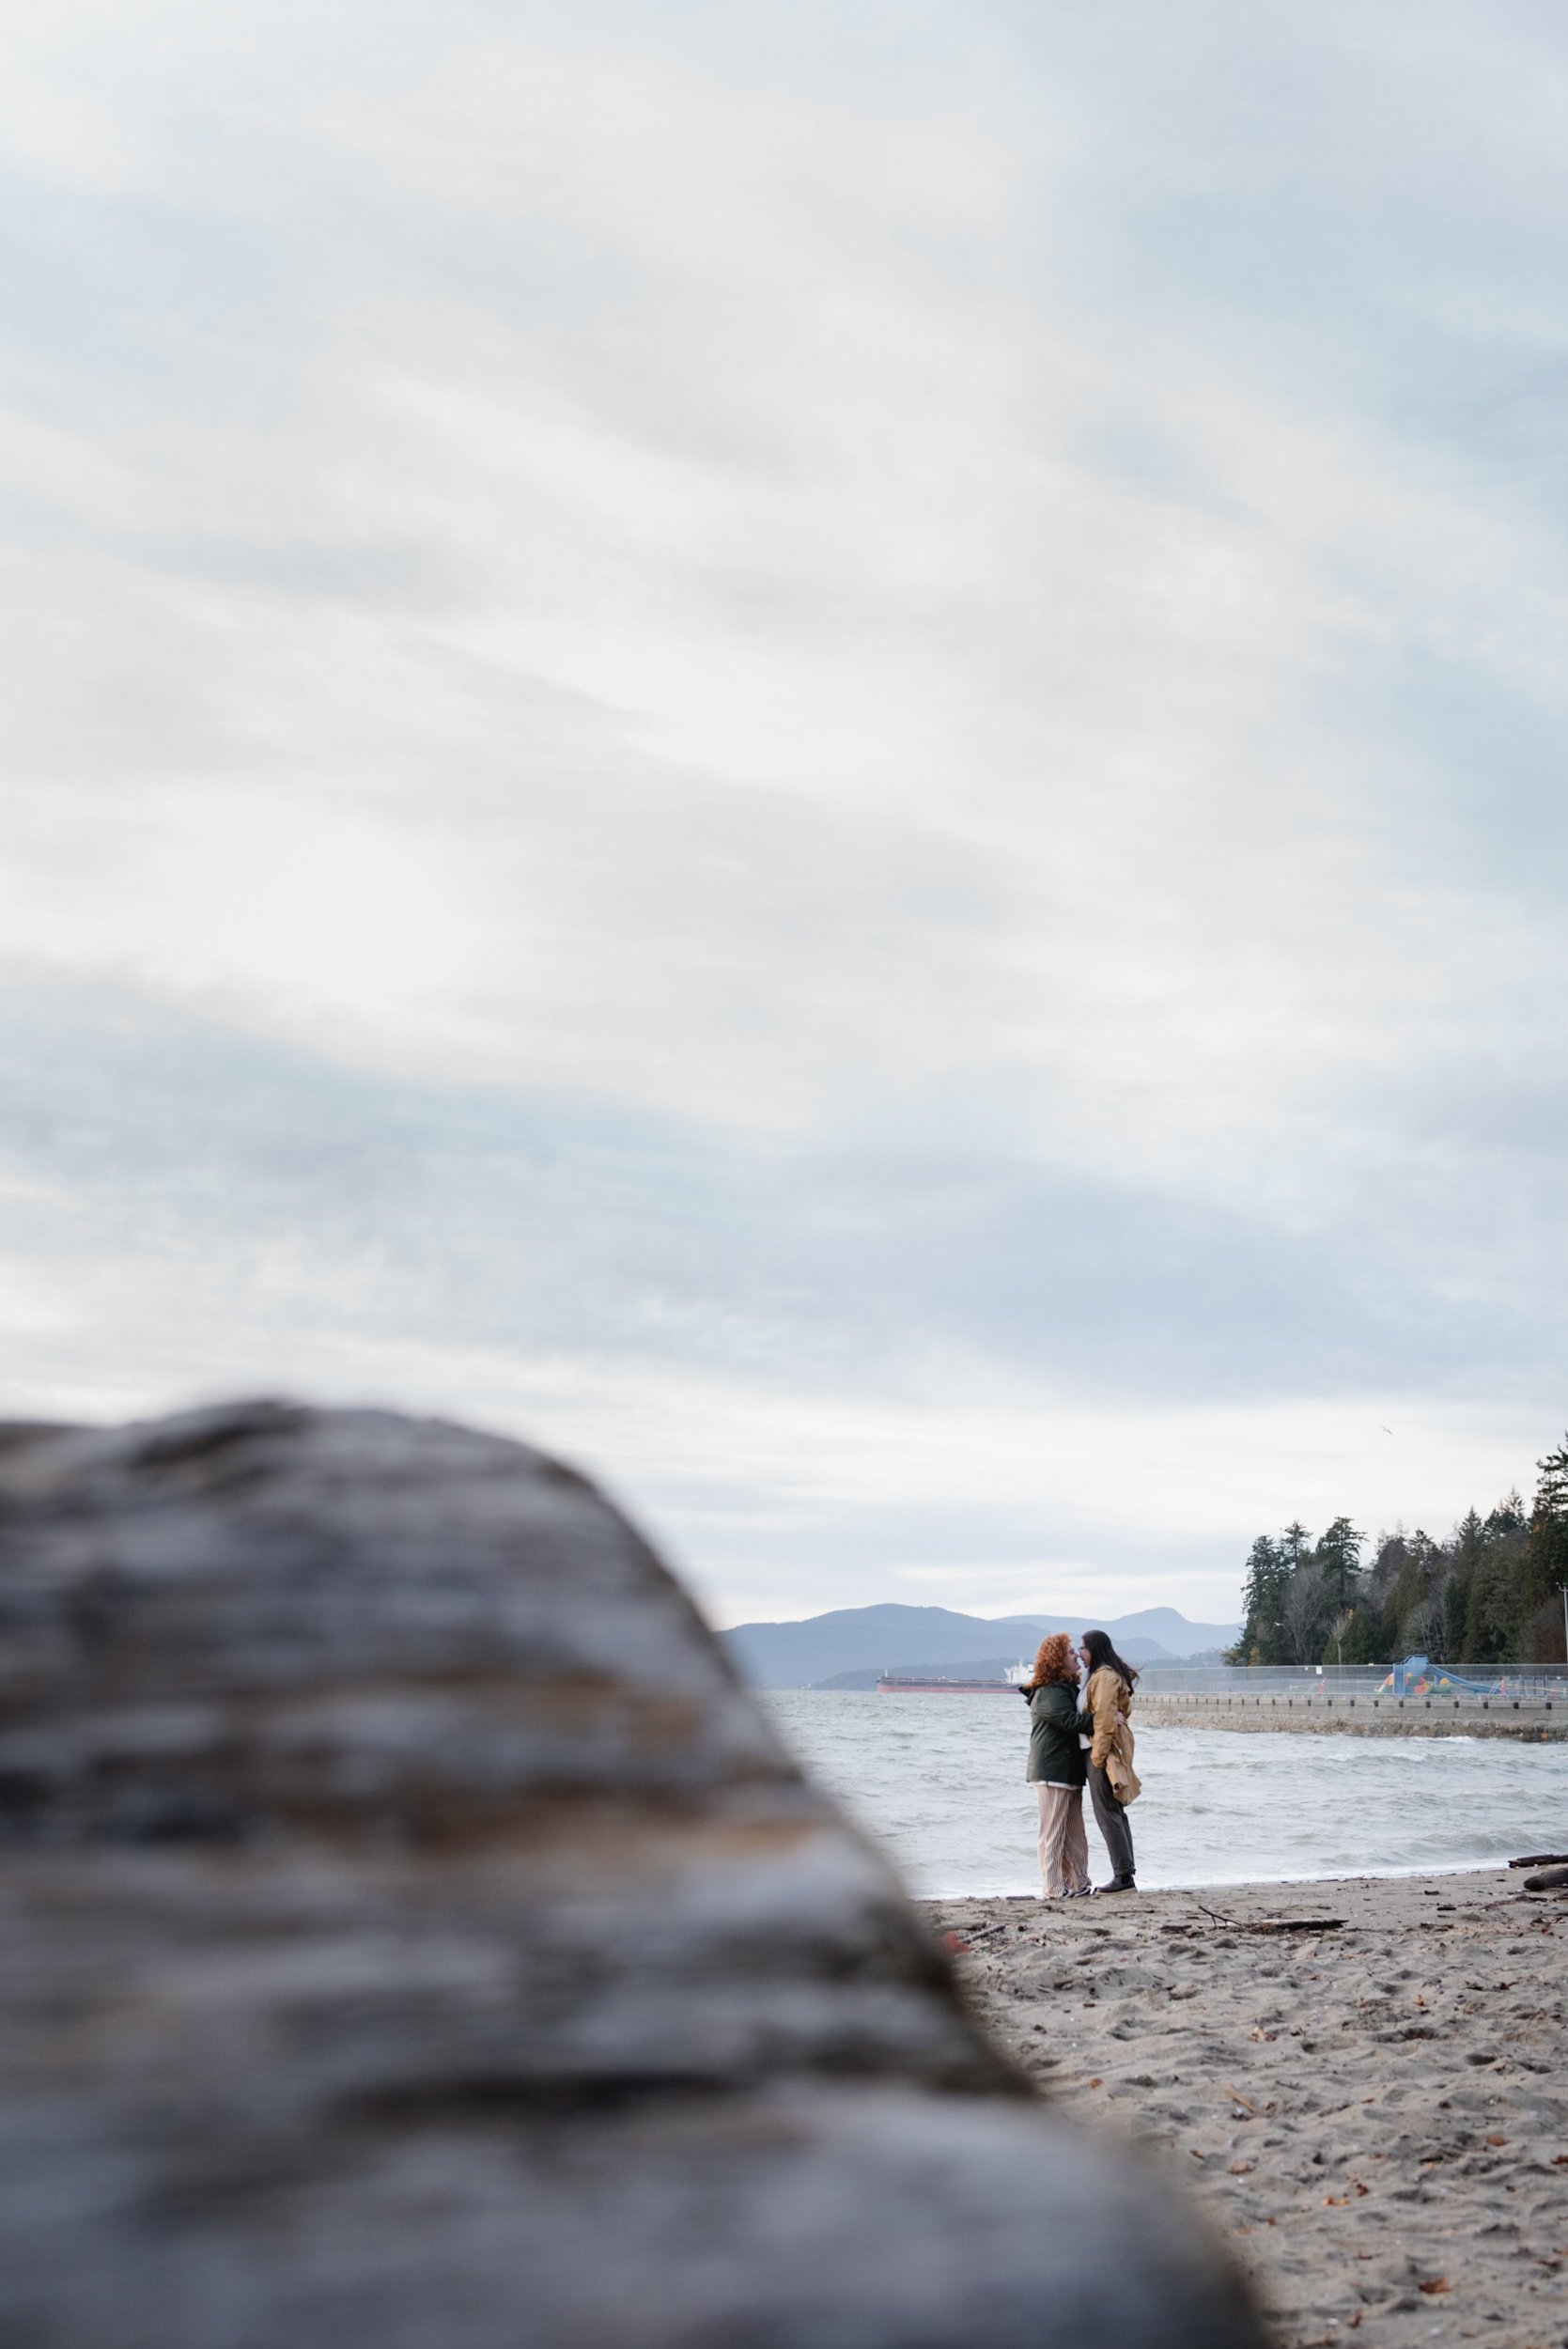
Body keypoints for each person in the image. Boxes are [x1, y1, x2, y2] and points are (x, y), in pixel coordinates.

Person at [1017, 1631, 1092, 1898]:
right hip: (1051, 1771)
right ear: (1057, 1658)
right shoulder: (1048, 1692)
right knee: (1053, 1832)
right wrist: (1105, 1720)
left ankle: (1079, 1882)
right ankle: (1052, 1887)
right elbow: (1070, 1721)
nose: (1075, 1655)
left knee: (1074, 1832)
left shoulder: (1066, 1688)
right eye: (1070, 1651)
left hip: (1067, 1771)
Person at [1078, 1628, 1140, 1893]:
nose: (1080, 1653)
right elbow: (1116, 1712)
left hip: (1100, 1751)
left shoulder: (1103, 1677)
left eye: (1083, 1648)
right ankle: (1126, 1872)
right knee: (1115, 1813)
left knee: (1107, 1813)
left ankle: (1123, 1875)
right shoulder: (1104, 1675)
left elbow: (1103, 1720)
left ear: (1094, 1649)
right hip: (1104, 1750)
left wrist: (1098, 1757)